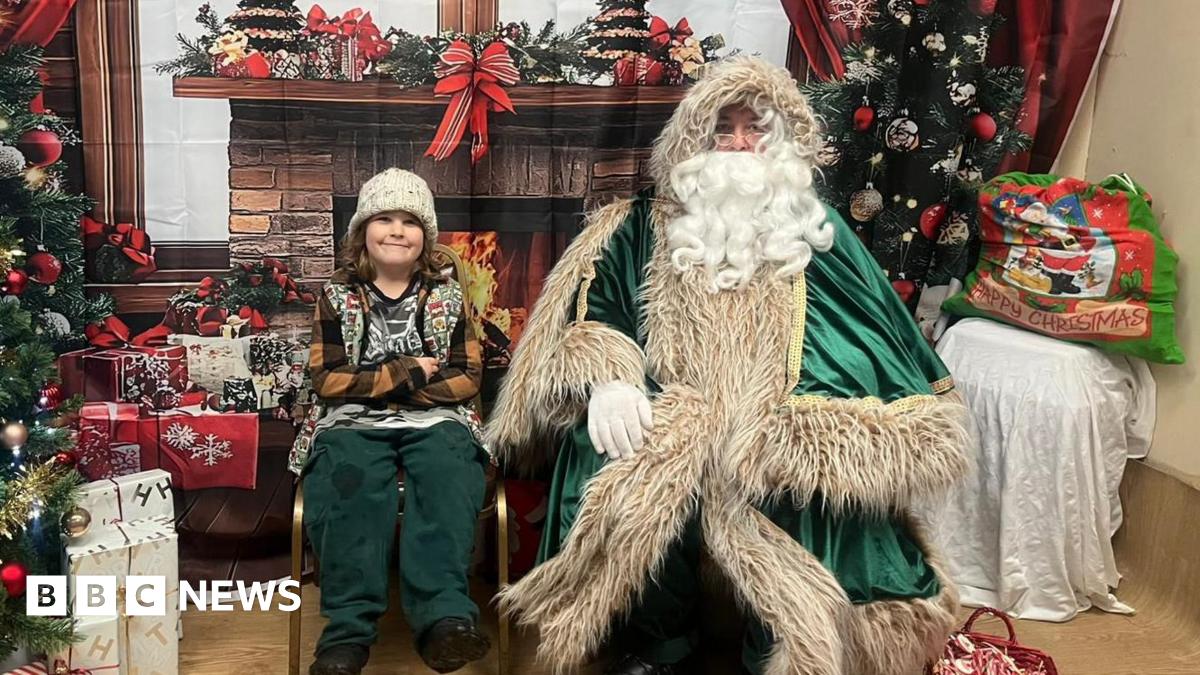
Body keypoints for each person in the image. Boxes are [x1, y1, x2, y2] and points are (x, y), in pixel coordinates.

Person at [487, 56, 970, 675]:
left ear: (783, 140)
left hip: (775, 415)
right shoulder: (638, 226)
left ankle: (779, 646)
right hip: (671, 402)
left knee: (807, 482)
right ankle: (660, 646)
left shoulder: (817, 233)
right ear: (695, 138)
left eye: (756, 129)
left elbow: (871, 338)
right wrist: (610, 375)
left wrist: (790, 422)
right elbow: (594, 308)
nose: (739, 144)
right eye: (724, 128)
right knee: (626, 454)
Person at [288, 168, 491, 675]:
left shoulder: (446, 296)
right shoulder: (338, 296)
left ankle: (444, 620)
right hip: (352, 422)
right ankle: (346, 636)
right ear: (362, 231)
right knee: (348, 479)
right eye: (384, 218)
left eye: (410, 221)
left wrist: (390, 386)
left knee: (448, 473)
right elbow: (328, 381)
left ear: (426, 236)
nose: (397, 230)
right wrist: (404, 372)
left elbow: (466, 377)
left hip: (437, 419)